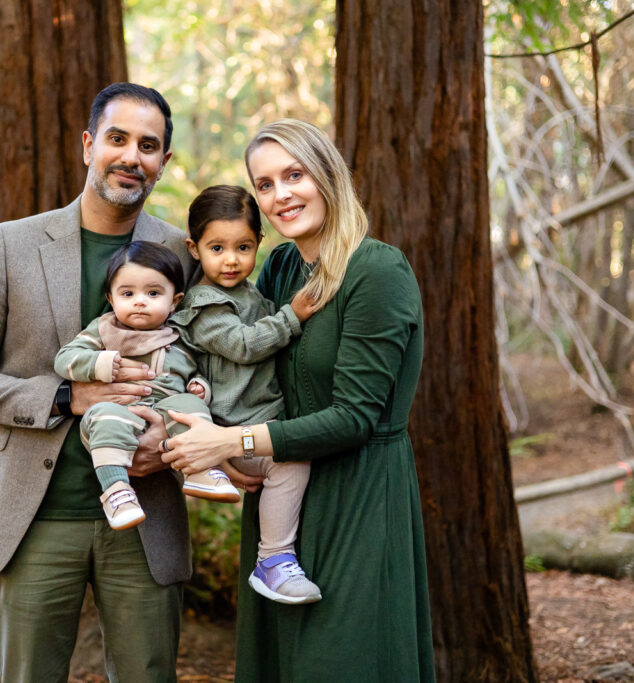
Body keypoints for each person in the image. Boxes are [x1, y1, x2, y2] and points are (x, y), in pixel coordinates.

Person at [0, 83, 200, 683]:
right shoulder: (11, 244)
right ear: (88, 145)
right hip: (32, 520)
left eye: (148, 146)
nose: (132, 156)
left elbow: (213, 372)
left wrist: (176, 441)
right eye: (118, 138)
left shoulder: (182, 253)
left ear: (164, 162)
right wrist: (63, 396)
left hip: (145, 518)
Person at [160, 119, 436, 681]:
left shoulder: (377, 271)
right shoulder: (283, 267)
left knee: (341, 659)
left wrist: (229, 441)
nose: (280, 194)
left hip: (358, 497)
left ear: (327, 174)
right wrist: (230, 447)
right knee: (281, 664)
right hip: (282, 497)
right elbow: (243, 362)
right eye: (264, 185)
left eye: (294, 175)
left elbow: (354, 418)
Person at [170, 185, 322, 604]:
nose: (232, 259)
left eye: (243, 246)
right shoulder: (205, 303)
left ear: (259, 244)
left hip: (258, 419)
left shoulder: (248, 292)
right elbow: (243, 344)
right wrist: (293, 315)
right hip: (231, 428)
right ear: (194, 248)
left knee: (292, 460)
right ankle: (273, 559)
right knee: (290, 462)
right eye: (217, 247)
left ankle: (277, 555)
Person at [53, 240, 241, 532]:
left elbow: (196, 371)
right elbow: (65, 359)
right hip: (118, 411)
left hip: (164, 411)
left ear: (175, 301)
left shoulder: (180, 337)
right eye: (127, 293)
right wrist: (101, 364)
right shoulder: (104, 330)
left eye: (153, 293)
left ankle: (200, 470)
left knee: (190, 407)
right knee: (106, 416)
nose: (140, 301)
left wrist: (199, 388)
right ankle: (117, 493)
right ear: (112, 299)